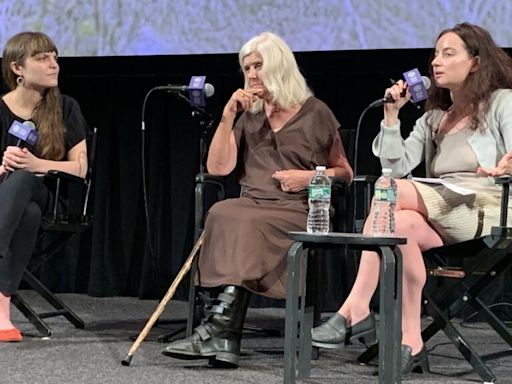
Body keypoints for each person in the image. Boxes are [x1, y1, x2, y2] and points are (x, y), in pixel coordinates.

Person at [311, 22, 512, 374]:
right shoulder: (434, 118)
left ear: (476, 63)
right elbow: (396, 164)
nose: (436, 62)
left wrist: (505, 165)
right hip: (442, 207)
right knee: (398, 222)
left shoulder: (501, 103)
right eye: (435, 54)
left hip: (489, 204)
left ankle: (355, 309)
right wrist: (392, 117)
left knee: (389, 192)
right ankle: (411, 340)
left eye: (448, 54)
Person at [162, 32, 353, 367]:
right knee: (223, 210)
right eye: (246, 67)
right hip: (254, 204)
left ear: (279, 66)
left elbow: (345, 172)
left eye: (258, 66)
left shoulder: (316, 111)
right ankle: (224, 335)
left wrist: (309, 177)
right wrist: (227, 115)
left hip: (299, 209)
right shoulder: (250, 116)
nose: (250, 74)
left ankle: (221, 331)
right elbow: (218, 167)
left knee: (245, 221)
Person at [0, 32, 89, 342]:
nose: (54, 65)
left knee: (26, 181)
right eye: (42, 58)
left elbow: (80, 169)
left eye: (55, 57)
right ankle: (1, 313)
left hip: (46, 192)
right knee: (29, 213)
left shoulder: (66, 107)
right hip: (8, 199)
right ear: (17, 68)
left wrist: (37, 165)